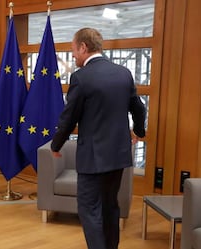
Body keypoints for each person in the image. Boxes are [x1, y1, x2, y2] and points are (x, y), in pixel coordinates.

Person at [51, 28, 146, 249]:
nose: (73, 55)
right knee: (110, 207)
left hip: (93, 159)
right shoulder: (124, 73)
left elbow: (69, 117)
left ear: (83, 47)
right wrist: (139, 132)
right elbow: (139, 109)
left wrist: (56, 144)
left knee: (89, 208)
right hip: (118, 155)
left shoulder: (81, 77)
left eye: (73, 50)